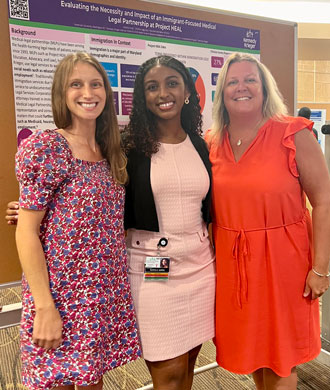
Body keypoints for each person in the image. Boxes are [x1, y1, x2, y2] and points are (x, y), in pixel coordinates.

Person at [13, 52, 141, 390]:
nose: (88, 92)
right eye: (76, 84)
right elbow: (27, 232)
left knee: (91, 382)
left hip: (98, 296)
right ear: (62, 93)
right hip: (59, 295)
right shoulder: (47, 147)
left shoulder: (111, 149)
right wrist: (44, 307)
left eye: (95, 84)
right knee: (57, 382)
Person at [207, 52, 330, 390]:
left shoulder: (293, 133)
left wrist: (320, 268)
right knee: (256, 356)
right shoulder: (211, 143)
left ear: (264, 88)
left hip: (284, 264)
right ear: (222, 92)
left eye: (250, 80)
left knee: (281, 361)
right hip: (235, 269)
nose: (241, 87)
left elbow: (323, 202)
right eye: (233, 81)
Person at [123, 55, 215, 390]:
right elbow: (93, 193)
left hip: (202, 267)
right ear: (143, 97)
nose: (163, 92)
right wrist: (35, 209)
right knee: (169, 371)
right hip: (153, 267)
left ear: (187, 91)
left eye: (172, 83)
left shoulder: (201, 146)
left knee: (190, 362)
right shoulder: (128, 147)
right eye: (152, 86)